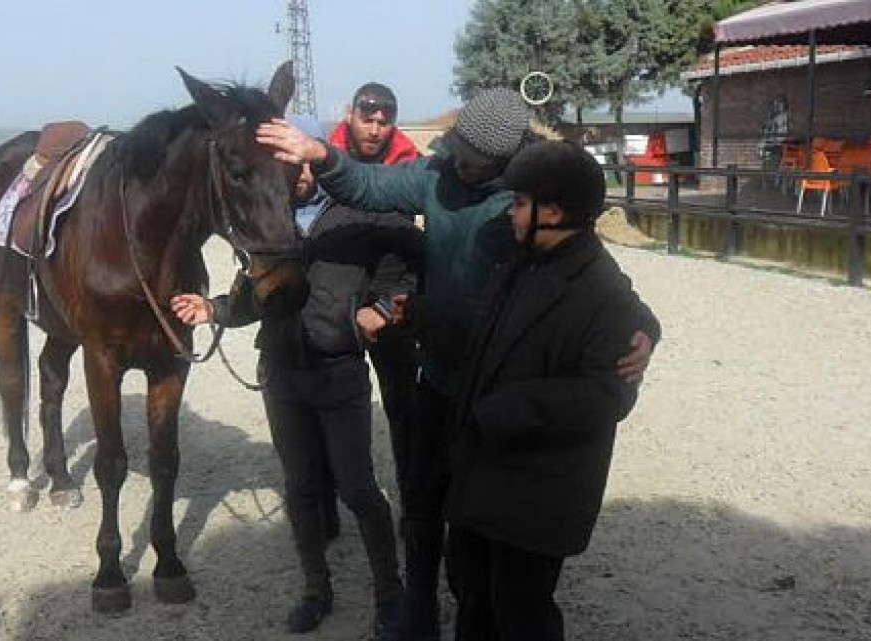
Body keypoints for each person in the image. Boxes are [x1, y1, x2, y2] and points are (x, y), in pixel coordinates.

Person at [255, 87, 660, 640]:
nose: (453, 159)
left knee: (484, 522)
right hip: (442, 378)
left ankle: (479, 607)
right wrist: (321, 154)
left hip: (498, 389)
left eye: (466, 154)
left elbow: (598, 278)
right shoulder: (441, 178)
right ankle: (418, 607)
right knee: (423, 498)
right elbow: (372, 185)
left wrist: (645, 332)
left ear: (503, 163)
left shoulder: (527, 206)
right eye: (454, 148)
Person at [170, 116, 422, 639]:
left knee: (358, 489)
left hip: (338, 369)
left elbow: (400, 267)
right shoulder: (271, 218)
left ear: (312, 156)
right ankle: (315, 589)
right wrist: (214, 309)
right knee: (301, 488)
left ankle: (390, 595)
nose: (294, 174)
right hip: (283, 374)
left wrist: (380, 306)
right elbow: (251, 296)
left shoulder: (356, 209)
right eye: (282, 165)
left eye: (298, 162)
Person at [445, 140, 650, 639]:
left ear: (553, 211)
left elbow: (609, 395)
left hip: (537, 491)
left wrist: (509, 409)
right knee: (472, 595)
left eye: (519, 203)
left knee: (521, 611)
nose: (511, 214)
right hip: (484, 473)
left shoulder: (601, 289)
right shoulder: (523, 260)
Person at [322, 83, 423, 526]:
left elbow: (426, 246)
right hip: (336, 294)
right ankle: (325, 502)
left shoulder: (410, 165)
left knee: (402, 404)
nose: (376, 129)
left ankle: (411, 499)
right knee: (328, 400)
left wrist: (389, 305)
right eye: (368, 118)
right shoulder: (323, 158)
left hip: (390, 295)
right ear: (351, 114)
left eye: (385, 121)